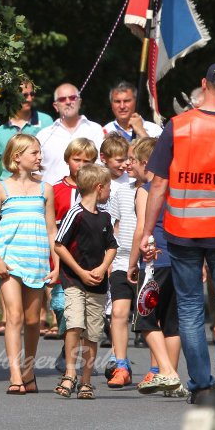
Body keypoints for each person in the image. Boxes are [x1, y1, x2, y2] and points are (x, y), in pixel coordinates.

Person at [139, 62, 215, 407]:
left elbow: (158, 183)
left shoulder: (178, 126)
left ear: (203, 84)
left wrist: (147, 231)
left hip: (182, 230)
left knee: (190, 307)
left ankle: (202, 385)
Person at [0, 133, 58, 395]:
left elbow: (51, 231)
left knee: (33, 319)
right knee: (13, 316)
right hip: (10, 261)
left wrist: (56, 263)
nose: (39, 157)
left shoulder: (45, 189)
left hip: (36, 260)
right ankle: (15, 374)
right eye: (34, 153)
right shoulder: (0, 189)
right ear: (17, 157)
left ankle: (28, 369)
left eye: (39, 152)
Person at [125, 136, 184, 396]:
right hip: (177, 259)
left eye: (133, 160)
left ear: (146, 163)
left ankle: (166, 372)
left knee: (145, 318)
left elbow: (141, 230)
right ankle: (174, 379)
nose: (129, 164)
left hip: (153, 260)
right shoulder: (176, 188)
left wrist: (131, 263)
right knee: (172, 322)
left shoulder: (145, 190)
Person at [53, 163, 116, 400]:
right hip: (74, 280)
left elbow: (112, 246)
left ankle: (86, 380)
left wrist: (101, 268)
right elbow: (59, 245)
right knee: (75, 324)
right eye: (108, 187)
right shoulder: (75, 214)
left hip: (98, 283)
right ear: (99, 188)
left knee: (93, 332)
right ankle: (70, 372)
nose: (110, 192)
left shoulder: (105, 217)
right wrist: (79, 271)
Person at [100, 134, 137, 387]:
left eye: (128, 160)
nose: (124, 165)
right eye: (120, 160)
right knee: (111, 312)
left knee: (128, 313)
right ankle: (117, 361)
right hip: (110, 255)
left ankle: (119, 359)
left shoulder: (131, 185)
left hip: (133, 257)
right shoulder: (100, 182)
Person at [36, 83, 104, 185]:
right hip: (52, 197)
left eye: (72, 98)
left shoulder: (96, 130)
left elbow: (102, 165)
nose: (68, 102)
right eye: (62, 99)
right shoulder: (44, 135)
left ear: (79, 102)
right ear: (56, 106)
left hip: (88, 194)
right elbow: (36, 171)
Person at [0, 80, 54, 177]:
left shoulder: (46, 121)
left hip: (37, 185)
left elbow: (51, 156)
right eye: (24, 95)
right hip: (6, 186)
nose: (29, 99)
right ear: (12, 98)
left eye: (32, 94)